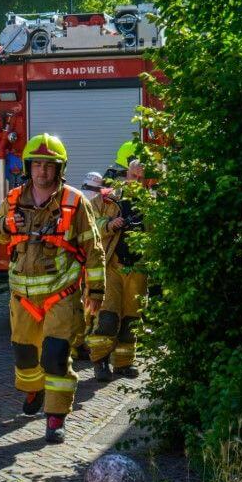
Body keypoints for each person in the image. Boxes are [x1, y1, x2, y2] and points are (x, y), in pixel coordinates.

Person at [0, 133, 105, 443]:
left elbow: (93, 249)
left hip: (61, 293)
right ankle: (32, 389)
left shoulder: (74, 201)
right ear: (29, 167)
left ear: (59, 169)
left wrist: (95, 292)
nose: (42, 171)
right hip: (22, 297)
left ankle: (56, 417)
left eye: (49, 166)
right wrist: (5, 225)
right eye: (37, 165)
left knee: (56, 355)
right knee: (25, 356)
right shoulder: (14, 199)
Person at [86, 159, 148, 381]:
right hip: (112, 266)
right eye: (134, 176)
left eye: (141, 177)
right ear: (126, 174)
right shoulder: (106, 199)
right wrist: (108, 225)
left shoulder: (150, 202)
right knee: (107, 318)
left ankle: (123, 363)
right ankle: (99, 361)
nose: (137, 180)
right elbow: (89, 225)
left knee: (131, 320)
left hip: (138, 268)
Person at [72, 172, 107, 360]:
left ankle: (79, 345)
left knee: (84, 306)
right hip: (87, 262)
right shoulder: (92, 202)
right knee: (88, 308)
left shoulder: (78, 199)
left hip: (81, 262)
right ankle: (79, 346)